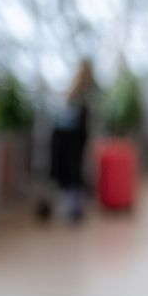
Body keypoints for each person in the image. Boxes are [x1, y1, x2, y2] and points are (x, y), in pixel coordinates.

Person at [47, 59, 94, 224]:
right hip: (73, 138)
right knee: (73, 171)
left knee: (73, 171)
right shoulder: (80, 92)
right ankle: (73, 207)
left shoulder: (82, 91)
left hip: (74, 137)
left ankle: (73, 207)